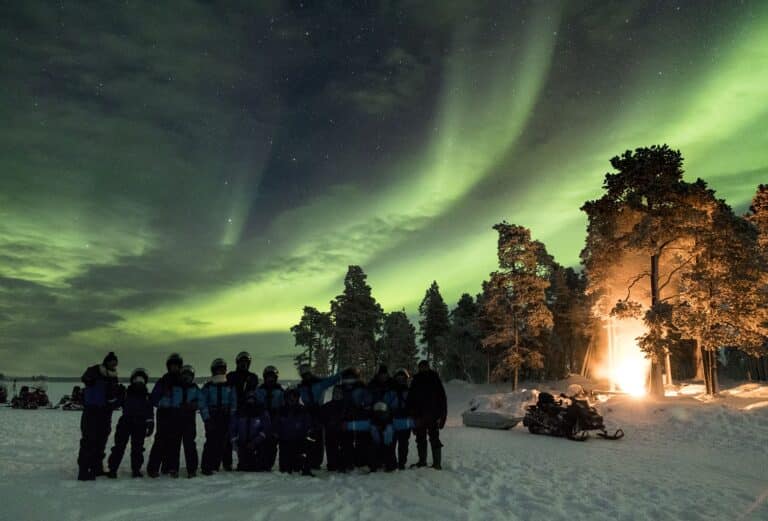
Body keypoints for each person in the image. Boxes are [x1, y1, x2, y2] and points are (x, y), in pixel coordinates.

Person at [77, 352, 124, 480]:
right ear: (106, 361)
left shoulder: (113, 377)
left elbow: (112, 398)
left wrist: (118, 398)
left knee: (100, 442)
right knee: (88, 441)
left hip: (105, 413)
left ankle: (96, 468)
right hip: (92, 411)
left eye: (115, 362)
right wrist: (91, 380)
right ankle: (83, 471)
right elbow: (86, 378)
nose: (113, 363)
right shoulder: (95, 371)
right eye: (111, 361)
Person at [107, 368, 154, 478]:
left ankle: (136, 470)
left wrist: (150, 423)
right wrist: (114, 393)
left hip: (140, 424)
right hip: (126, 422)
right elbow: (114, 404)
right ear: (132, 380)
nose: (139, 382)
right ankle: (113, 469)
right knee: (119, 447)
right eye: (137, 379)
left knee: (137, 448)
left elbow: (149, 411)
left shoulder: (146, 396)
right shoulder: (125, 393)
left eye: (141, 380)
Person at [296, 364, 340, 469]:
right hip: (308, 412)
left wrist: (342, 374)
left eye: (307, 373)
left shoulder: (320, 383)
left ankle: (317, 461)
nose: (306, 376)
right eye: (304, 375)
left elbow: (332, 379)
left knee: (319, 436)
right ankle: (309, 459)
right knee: (309, 437)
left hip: (319, 411)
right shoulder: (301, 387)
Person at [147, 353, 183, 477]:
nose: (175, 368)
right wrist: (164, 402)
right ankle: (153, 468)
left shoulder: (182, 381)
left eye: (177, 366)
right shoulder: (163, 381)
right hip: (164, 413)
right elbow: (153, 398)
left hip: (177, 414)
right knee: (160, 440)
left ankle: (171, 467)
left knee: (175, 441)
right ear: (169, 367)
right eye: (173, 366)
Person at [407, 360, 447, 470]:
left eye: (425, 367)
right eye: (421, 367)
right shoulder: (415, 380)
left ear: (428, 367)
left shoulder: (435, 379)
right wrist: (411, 415)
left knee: (434, 438)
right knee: (420, 439)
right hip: (419, 416)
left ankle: (437, 463)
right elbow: (410, 399)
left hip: (433, 416)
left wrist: (443, 416)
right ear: (419, 368)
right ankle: (422, 461)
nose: (423, 368)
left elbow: (442, 399)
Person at [200, 358, 237, 475]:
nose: (220, 372)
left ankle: (227, 463)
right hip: (212, 416)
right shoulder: (208, 386)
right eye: (218, 370)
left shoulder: (230, 386)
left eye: (222, 370)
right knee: (211, 441)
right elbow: (202, 403)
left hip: (226, 416)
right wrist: (206, 418)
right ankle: (207, 466)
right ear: (213, 371)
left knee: (226, 441)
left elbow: (233, 402)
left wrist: (232, 417)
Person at [224, 351, 259, 471]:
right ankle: (227, 463)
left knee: (246, 436)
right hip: (232, 410)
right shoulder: (231, 376)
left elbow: (254, 392)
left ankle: (246, 460)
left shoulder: (252, 377)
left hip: (247, 412)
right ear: (237, 363)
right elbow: (225, 390)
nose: (243, 364)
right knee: (229, 436)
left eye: (245, 362)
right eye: (241, 362)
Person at [231, 387, 272, 471]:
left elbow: (266, 429)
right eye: (249, 398)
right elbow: (233, 428)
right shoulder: (239, 412)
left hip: (258, 443)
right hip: (243, 443)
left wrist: (255, 442)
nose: (250, 401)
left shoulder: (262, 412)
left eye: (252, 398)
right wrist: (235, 442)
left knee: (259, 466)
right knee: (245, 467)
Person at [339, 367, 372, 470]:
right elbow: (338, 401)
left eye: (351, 379)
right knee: (346, 441)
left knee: (361, 440)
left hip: (360, 418)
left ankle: (360, 461)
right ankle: (348, 461)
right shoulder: (341, 389)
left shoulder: (362, 388)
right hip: (346, 418)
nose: (349, 381)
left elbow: (368, 401)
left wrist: (362, 408)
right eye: (347, 379)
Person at [275, 388, 314, 476]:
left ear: (297, 398)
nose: (292, 399)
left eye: (294, 397)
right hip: (285, 442)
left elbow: (308, 424)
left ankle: (305, 467)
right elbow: (276, 425)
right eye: (289, 397)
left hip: (299, 441)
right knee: (284, 469)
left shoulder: (303, 410)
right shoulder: (281, 410)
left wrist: (307, 433)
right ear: (286, 398)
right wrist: (277, 434)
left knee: (298, 465)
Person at [256, 365, 284, 471]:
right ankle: (260, 462)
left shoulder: (280, 391)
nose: (270, 379)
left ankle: (268, 464)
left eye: (272, 377)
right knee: (262, 441)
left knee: (272, 443)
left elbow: (283, 405)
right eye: (268, 377)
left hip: (275, 419)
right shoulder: (259, 390)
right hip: (262, 419)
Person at [386, 368, 414, 469]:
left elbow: (413, 405)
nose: (401, 380)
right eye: (399, 378)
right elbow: (385, 404)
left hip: (405, 420)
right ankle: (392, 462)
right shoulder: (390, 391)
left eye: (403, 378)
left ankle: (402, 463)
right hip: (393, 420)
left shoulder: (409, 391)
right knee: (391, 443)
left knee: (403, 444)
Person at [319, 385, 346, 472]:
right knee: (331, 448)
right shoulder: (327, 406)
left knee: (343, 447)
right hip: (330, 431)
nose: (337, 395)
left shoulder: (346, 406)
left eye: (339, 393)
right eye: (335, 393)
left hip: (343, 432)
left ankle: (342, 464)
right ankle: (332, 464)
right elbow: (321, 418)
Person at [369, 401, 396, 472]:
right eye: (378, 412)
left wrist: (415, 423)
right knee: (373, 447)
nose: (379, 414)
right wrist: (347, 425)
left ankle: (390, 465)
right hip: (377, 445)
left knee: (389, 447)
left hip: (387, 445)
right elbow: (360, 425)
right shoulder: (372, 423)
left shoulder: (391, 422)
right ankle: (375, 465)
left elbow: (405, 423)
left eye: (381, 412)